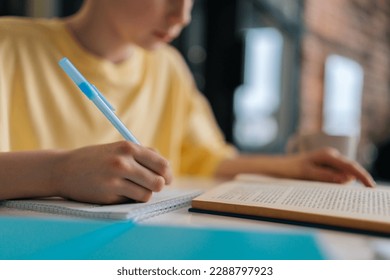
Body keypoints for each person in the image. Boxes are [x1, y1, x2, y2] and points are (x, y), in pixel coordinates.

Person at [0, 0, 375, 205]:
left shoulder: (168, 68)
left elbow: (207, 159)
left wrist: (292, 166)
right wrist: (59, 172)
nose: (181, 15)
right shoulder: (8, 44)